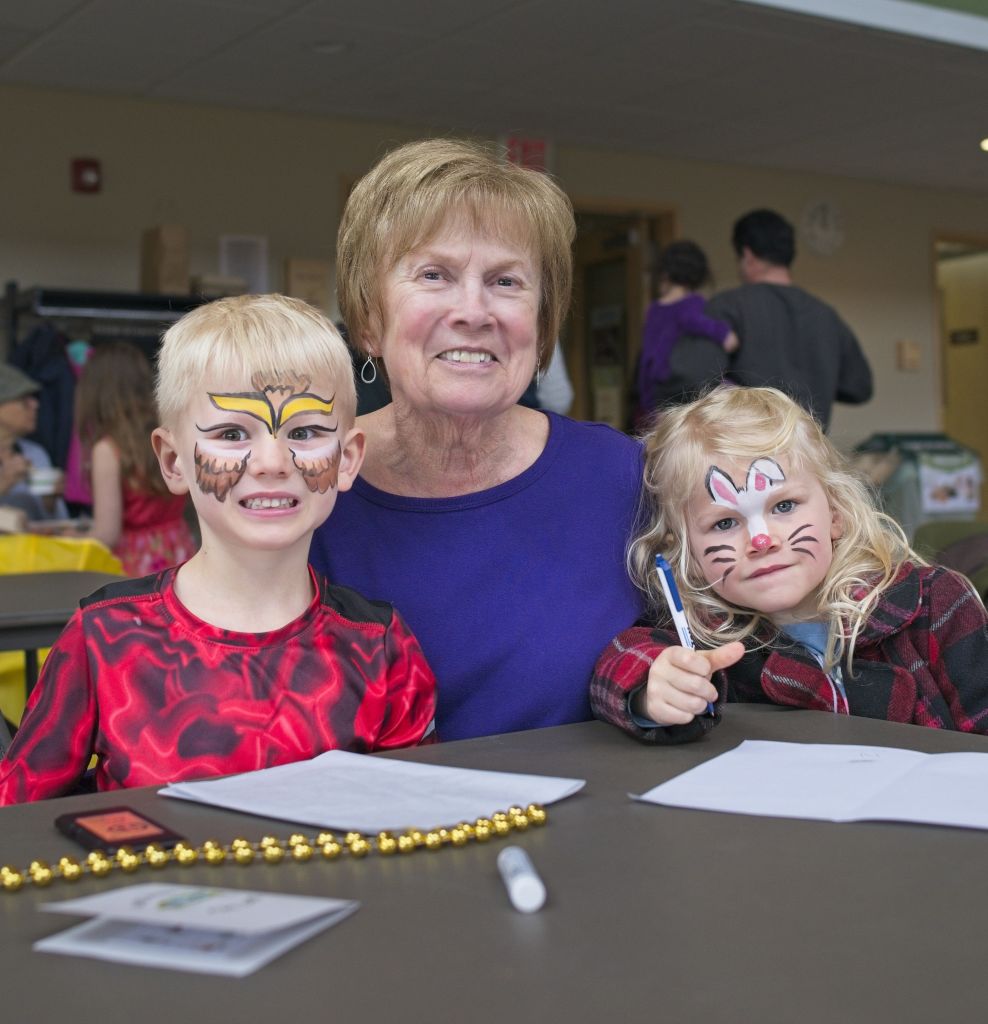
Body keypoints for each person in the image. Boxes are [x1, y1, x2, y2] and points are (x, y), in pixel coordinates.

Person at [0, 294, 436, 803]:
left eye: (305, 431)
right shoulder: (105, 637)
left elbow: (417, 820)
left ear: (347, 459)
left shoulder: (379, 646)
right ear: (173, 460)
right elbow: (18, 820)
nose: (273, 461)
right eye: (232, 432)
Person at [309, 137, 645, 742]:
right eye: (434, 275)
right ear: (367, 319)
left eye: (506, 282)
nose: (474, 310)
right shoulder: (304, 480)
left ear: (543, 323)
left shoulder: (621, 477)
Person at [590, 386, 988, 744]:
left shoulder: (936, 604)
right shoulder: (704, 642)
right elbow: (622, 658)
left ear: (835, 512)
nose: (762, 540)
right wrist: (650, 688)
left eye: (783, 506)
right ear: (687, 553)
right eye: (725, 523)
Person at [707, 209, 873, 430]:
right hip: (810, 455)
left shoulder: (727, 306)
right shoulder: (826, 315)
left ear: (747, 255)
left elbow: (695, 379)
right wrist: (817, 382)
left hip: (745, 454)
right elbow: (860, 386)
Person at [73, 340, 198, 576]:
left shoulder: (109, 448)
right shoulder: (166, 434)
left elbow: (107, 535)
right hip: (179, 548)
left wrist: (68, 540)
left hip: (134, 561)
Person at [635, 240, 738, 419]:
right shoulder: (693, 303)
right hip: (679, 384)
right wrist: (725, 334)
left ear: (665, 273)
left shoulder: (653, 309)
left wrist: (646, 397)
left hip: (656, 387)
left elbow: (647, 355)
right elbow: (693, 321)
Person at [0, 363, 65, 521]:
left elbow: (58, 523)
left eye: (33, 398)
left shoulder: (35, 454)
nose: (35, 404)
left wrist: (50, 502)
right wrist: (4, 482)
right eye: (23, 399)